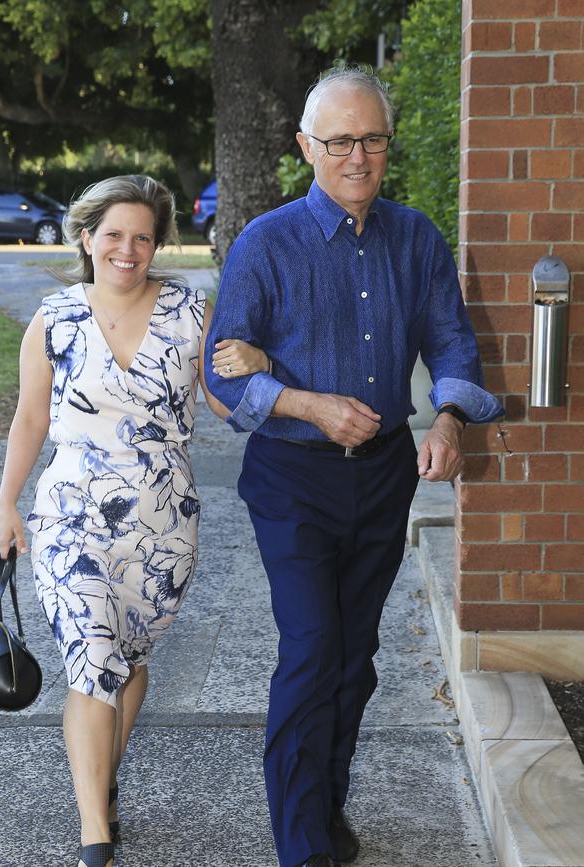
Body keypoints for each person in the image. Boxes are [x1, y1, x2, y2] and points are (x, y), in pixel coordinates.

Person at [205, 67, 503, 867]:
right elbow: (221, 374)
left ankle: (325, 805)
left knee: (354, 656)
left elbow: (450, 342)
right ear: (307, 147)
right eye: (339, 141)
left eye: (372, 138)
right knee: (311, 646)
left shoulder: (418, 238)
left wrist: (446, 417)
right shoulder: (265, 244)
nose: (358, 156)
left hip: (383, 476)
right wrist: (311, 404)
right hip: (291, 478)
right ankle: (302, 846)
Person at [0, 174, 269, 867]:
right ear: (86, 238)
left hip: (163, 525)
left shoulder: (189, 312)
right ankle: (96, 833)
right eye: (113, 234)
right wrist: (6, 503)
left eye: (142, 236)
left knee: (129, 659)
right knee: (92, 661)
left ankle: (103, 780)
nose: (127, 248)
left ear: (156, 244)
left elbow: (226, 399)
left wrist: (260, 362)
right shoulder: (54, 319)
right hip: (69, 516)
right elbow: (31, 418)